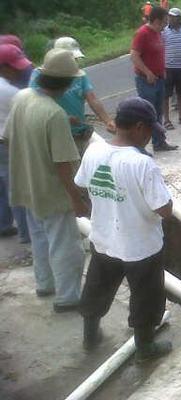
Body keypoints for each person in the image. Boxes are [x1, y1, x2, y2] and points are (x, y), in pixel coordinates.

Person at [76, 97, 173, 361]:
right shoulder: (142, 164)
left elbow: (83, 183)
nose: (150, 137)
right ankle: (145, 348)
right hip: (141, 246)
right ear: (140, 127)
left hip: (104, 240)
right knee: (146, 297)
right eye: (150, 131)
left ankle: (90, 336)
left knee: (97, 288)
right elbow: (164, 209)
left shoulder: (93, 151)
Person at [3, 49, 87, 312]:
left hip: (26, 185)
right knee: (66, 246)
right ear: (67, 83)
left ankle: (45, 284)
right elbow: (63, 164)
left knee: (40, 239)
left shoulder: (22, 97)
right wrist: (77, 199)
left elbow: (8, 136)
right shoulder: (54, 114)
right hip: (51, 192)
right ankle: (68, 297)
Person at [29, 37, 116, 155]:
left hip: (79, 131)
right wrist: (63, 118)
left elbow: (92, 99)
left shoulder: (79, 75)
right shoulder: (40, 76)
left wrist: (107, 120)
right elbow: (37, 105)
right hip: (57, 134)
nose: (74, 62)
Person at [131, 6, 178, 151]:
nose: (165, 26)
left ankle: (159, 142)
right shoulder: (143, 33)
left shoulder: (158, 33)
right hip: (147, 80)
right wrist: (147, 72)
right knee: (146, 114)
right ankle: (140, 146)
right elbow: (134, 55)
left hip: (159, 78)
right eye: (164, 22)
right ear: (156, 20)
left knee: (158, 113)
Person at [0, 44, 31, 242]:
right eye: (14, 67)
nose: (19, 70)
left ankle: (4, 224)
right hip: (5, 142)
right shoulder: (9, 92)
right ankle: (26, 232)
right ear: (2, 67)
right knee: (16, 185)